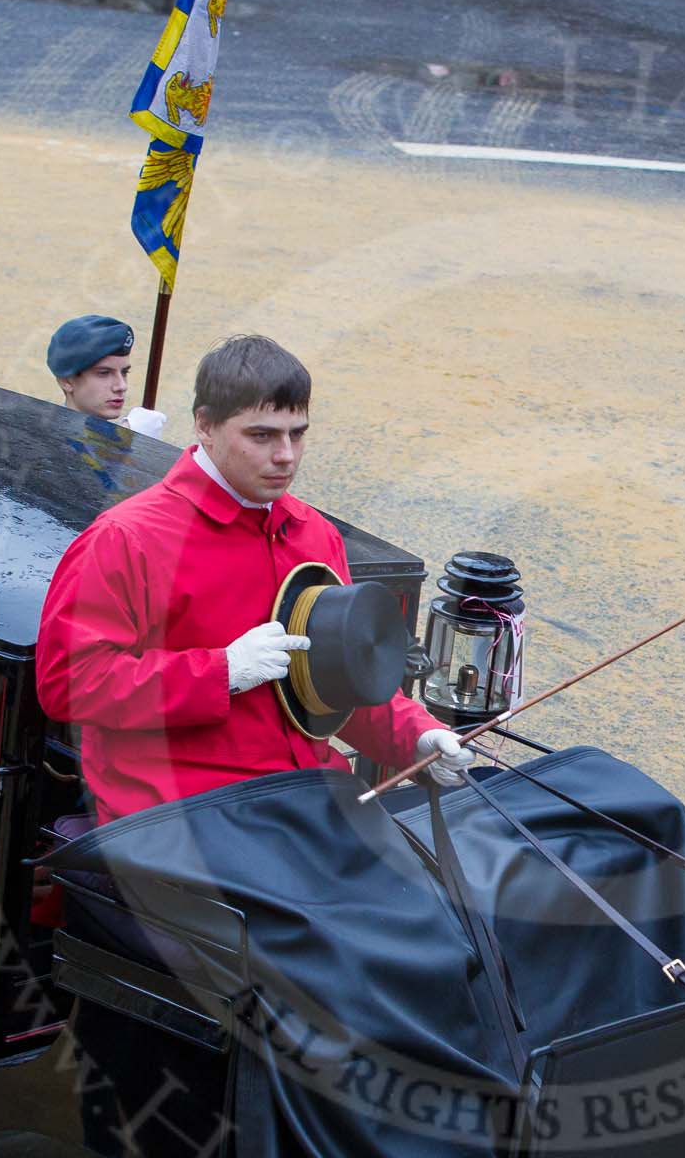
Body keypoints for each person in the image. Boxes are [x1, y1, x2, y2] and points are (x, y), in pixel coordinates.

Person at [35, 334, 472, 823]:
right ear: (205, 425)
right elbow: (68, 683)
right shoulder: (125, 538)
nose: (285, 455)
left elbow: (338, 684)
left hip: (307, 798)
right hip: (180, 815)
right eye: (261, 436)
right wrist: (222, 672)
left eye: (297, 434)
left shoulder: (315, 535)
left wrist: (416, 737)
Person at [47, 314, 168, 437]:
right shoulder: (46, 438)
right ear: (67, 381)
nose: (122, 386)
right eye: (104, 373)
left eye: (124, 372)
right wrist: (128, 440)